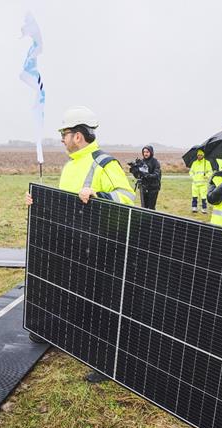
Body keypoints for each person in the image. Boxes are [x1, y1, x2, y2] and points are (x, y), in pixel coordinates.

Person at [25, 106, 135, 383]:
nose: (61, 139)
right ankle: (59, 333)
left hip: (101, 245)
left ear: (78, 136)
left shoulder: (104, 163)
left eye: (64, 133)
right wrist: (38, 202)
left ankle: (106, 361)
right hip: (73, 243)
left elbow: (127, 199)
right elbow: (65, 204)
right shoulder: (70, 165)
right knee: (70, 291)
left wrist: (99, 195)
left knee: (101, 301)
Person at [130, 145, 161, 210]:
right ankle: (144, 219)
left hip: (153, 188)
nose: (145, 154)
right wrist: (134, 171)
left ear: (151, 152)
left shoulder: (155, 162)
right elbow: (138, 176)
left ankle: (151, 219)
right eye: (144, 152)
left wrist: (146, 175)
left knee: (151, 208)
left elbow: (156, 175)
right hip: (143, 187)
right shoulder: (141, 162)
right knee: (144, 207)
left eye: (147, 152)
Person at [188, 149, 216, 213]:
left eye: (201, 155)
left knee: (204, 197)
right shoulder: (194, 163)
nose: (199, 156)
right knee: (194, 196)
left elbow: (210, 171)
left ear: (203, 155)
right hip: (195, 183)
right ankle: (194, 208)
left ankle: (204, 208)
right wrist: (193, 177)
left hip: (203, 184)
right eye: (198, 155)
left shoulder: (207, 163)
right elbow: (191, 172)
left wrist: (207, 176)